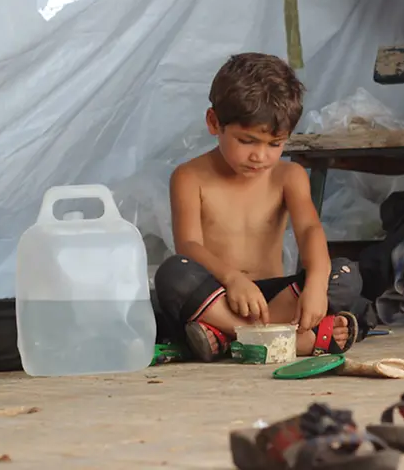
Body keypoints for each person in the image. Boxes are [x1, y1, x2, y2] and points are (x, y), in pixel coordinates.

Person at [153, 52, 370, 362]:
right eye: (247, 141)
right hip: (219, 293)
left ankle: (227, 337)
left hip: (275, 300)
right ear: (214, 123)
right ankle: (291, 339)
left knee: (345, 274)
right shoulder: (189, 176)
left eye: (275, 144)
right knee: (173, 274)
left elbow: (309, 229)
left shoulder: (288, 175)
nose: (260, 156)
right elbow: (188, 245)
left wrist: (316, 284)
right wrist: (232, 278)